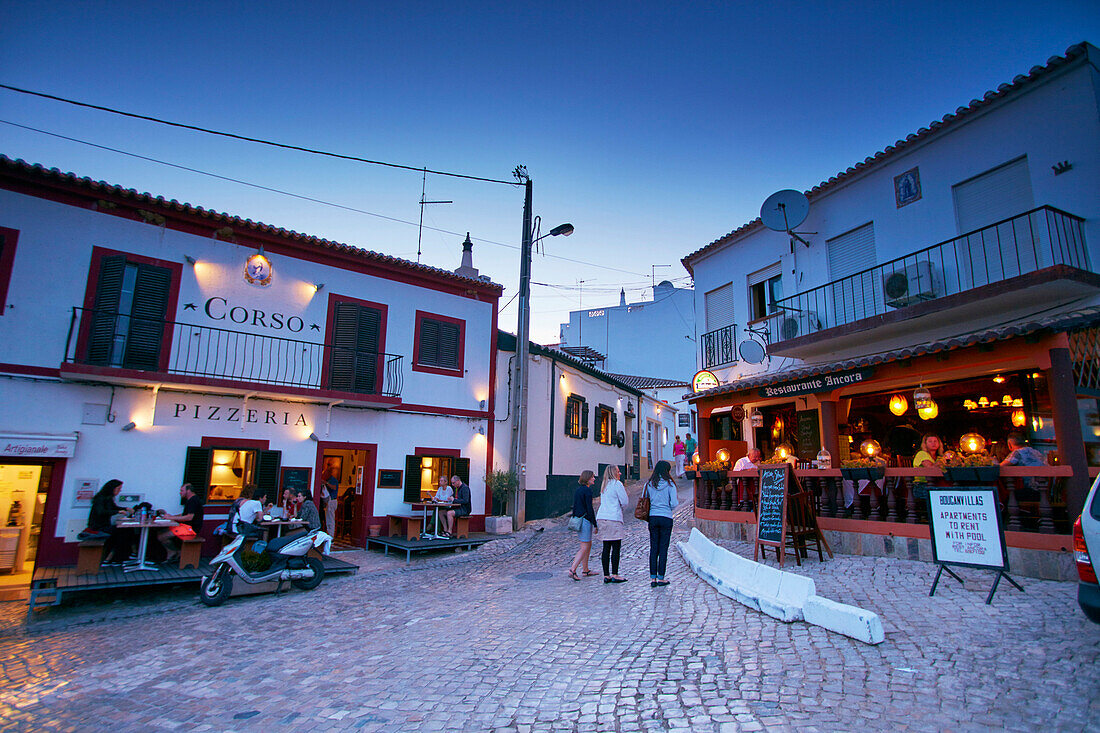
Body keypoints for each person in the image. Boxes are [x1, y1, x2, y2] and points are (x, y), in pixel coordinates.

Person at [645, 460, 679, 587]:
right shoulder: (670, 485)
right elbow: (674, 503)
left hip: (653, 517)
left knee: (654, 547)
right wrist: (667, 507)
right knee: (663, 548)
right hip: (666, 517)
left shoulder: (649, 484)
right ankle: (661, 577)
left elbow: (645, 499)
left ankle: (652, 578)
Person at [595, 465, 628, 583]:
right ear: (614, 473)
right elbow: (624, 501)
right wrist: (620, 508)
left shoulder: (604, 485)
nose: (620, 474)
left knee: (606, 547)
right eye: (618, 472)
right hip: (613, 517)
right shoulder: (617, 484)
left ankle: (606, 575)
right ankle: (615, 574)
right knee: (616, 547)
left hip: (602, 517)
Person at [156, 483, 204, 563]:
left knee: (162, 536)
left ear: (188, 491)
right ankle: (174, 552)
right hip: (186, 527)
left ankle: (174, 552)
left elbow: (189, 517)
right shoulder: (190, 500)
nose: (180, 492)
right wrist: (171, 516)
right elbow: (183, 514)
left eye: (182, 490)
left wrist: (171, 518)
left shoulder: (193, 501)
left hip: (190, 529)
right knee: (161, 532)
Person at [88, 479, 132, 565]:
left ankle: (116, 557)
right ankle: (114, 558)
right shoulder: (100, 498)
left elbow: (114, 507)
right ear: (112, 488)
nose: (120, 491)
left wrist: (125, 508)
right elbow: (101, 512)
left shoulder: (108, 498)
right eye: (118, 488)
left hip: (103, 525)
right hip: (98, 527)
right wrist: (118, 512)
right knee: (124, 533)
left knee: (125, 532)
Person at [568, 470, 598, 581]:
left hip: (579, 519)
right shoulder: (588, 491)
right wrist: (595, 524)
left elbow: (575, 506)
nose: (594, 479)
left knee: (587, 545)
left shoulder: (578, 490)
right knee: (584, 547)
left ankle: (585, 570)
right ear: (588, 478)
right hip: (585, 520)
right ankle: (573, 569)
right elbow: (589, 509)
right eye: (593, 477)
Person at [1001, 432, 1045, 500]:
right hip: (1045, 490)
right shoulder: (1036, 452)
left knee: (1006, 496)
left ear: (1009, 445)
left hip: (1033, 491)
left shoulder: (1018, 453)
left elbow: (1001, 467)